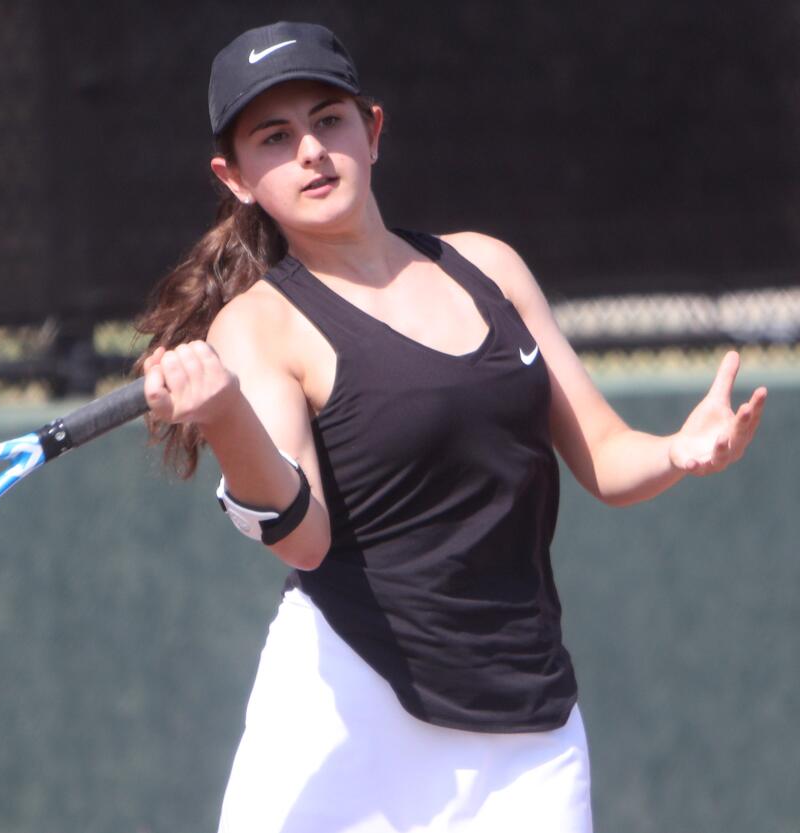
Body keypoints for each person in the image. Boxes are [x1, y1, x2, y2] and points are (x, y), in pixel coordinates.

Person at [135, 21, 768, 833]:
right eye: (274, 137)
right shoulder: (259, 326)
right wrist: (224, 413)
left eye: (329, 121)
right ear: (236, 177)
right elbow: (302, 538)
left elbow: (608, 459)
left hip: (528, 726)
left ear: (372, 129)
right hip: (347, 711)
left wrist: (679, 450)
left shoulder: (489, 266)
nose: (310, 152)